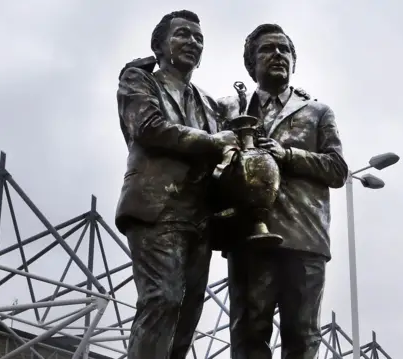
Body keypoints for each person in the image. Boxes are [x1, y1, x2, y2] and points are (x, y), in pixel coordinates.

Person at [218, 23, 349, 359]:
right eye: (266, 49)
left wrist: (287, 155)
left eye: (284, 49)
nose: (277, 55)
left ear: (293, 60)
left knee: (303, 337)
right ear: (251, 64)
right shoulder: (230, 108)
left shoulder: (318, 111)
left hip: (304, 237)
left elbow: (337, 170)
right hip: (247, 237)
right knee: (247, 334)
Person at [114, 9, 238, 359]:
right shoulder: (139, 80)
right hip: (157, 207)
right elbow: (149, 127)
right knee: (162, 299)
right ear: (160, 45)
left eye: (199, 38)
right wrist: (214, 141)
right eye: (183, 34)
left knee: (187, 315)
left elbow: (226, 152)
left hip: (199, 216)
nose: (192, 42)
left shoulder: (209, 104)